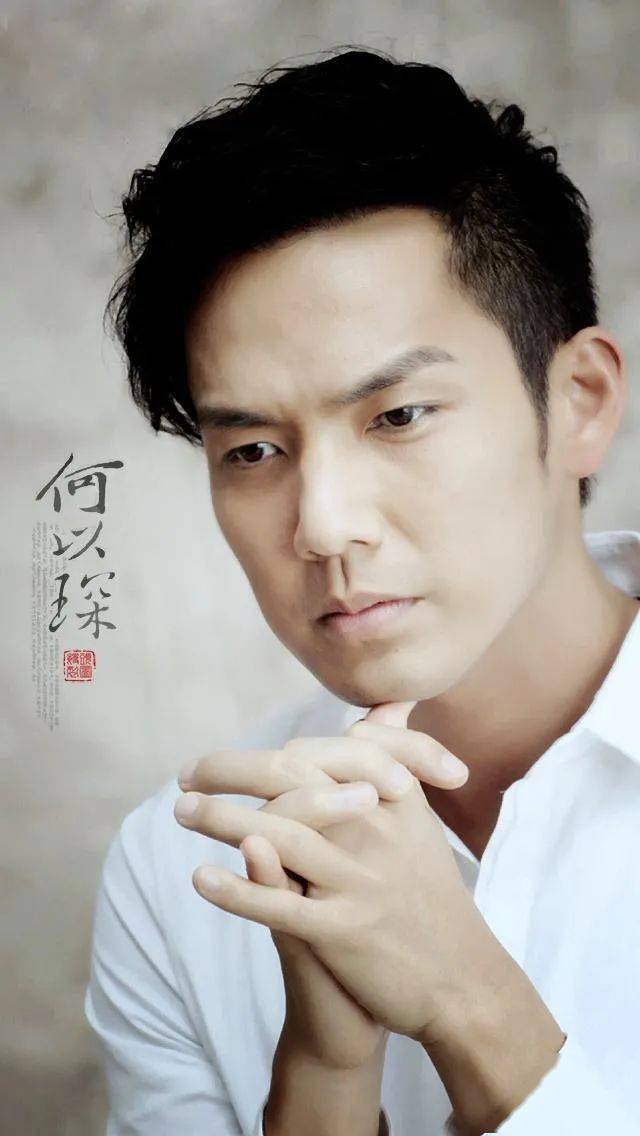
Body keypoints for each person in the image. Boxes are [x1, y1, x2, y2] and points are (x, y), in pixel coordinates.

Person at [85, 46, 640, 1134]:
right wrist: (325, 1074)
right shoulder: (181, 868)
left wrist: (472, 1008)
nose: (323, 525)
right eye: (252, 450)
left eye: (398, 416)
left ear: (579, 400)